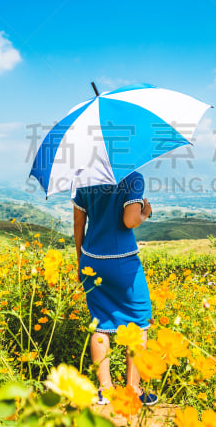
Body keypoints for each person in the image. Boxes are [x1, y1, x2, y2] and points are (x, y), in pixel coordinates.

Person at [72, 170, 158, 406]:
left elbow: (79, 222)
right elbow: (129, 220)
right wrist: (145, 213)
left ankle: (105, 390)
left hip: (91, 258)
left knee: (100, 323)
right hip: (122, 261)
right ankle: (133, 390)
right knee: (140, 320)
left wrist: (81, 261)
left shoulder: (82, 175)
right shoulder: (133, 176)